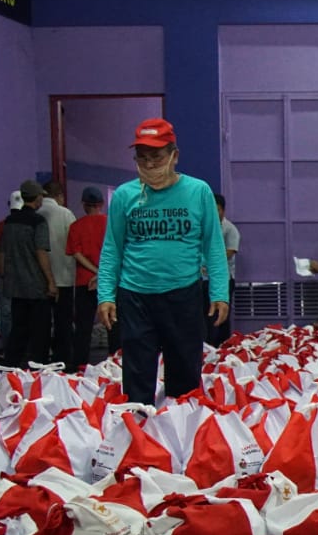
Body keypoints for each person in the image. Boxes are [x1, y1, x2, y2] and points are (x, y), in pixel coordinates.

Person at [96, 118, 229, 405]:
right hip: (135, 297)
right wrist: (105, 295)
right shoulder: (124, 195)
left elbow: (214, 246)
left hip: (183, 295)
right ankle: (140, 435)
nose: (150, 164)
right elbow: (112, 249)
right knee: (137, 374)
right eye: (142, 158)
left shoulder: (198, 192)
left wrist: (219, 292)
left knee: (184, 374)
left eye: (156, 156)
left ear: (174, 156)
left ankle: (179, 434)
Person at [0, 180, 56, 368]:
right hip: (36, 287)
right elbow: (41, 253)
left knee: (18, 330)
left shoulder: (9, 222)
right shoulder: (38, 222)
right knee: (41, 331)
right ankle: (38, 367)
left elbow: (3, 251)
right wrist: (50, 281)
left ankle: (10, 367)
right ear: (38, 198)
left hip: (16, 286)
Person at [67, 185, 115, 367]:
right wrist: (103, 273)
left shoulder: (75, 227)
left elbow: (76, 253)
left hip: (84, 281)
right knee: (113, 323)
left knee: (83, 326)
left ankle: (80, 366)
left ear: (84, 204)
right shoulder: (111, 224)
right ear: (102, 203)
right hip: (109, 280)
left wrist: (95, 272)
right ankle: (116, 363)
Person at [39, 180, 77, 370]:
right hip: (64, 276)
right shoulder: (66, 214)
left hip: (40, 279)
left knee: (42, 321)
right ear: (60, 196)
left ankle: (41, 357)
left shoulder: (36, 214)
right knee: (63, 321)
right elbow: (75, 242)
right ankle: (62, 358)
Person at [0, 190, 24, 340]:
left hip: (8, 275)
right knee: (20, 313)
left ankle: (9, 350)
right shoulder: (34, 223)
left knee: (7, 314)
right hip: (22, 276)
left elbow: (0, 253)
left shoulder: (3, 225)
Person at [205, 192, 240, 346]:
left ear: (223, 211)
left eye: (217, 209)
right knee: (205, 314)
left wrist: (208, 260)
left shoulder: (229, 229)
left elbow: (231, 251)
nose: (213, 213)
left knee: (220, 316)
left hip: (224, 280)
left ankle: (220, 346)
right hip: (204, 279)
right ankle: (206, 345)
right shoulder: (203, 227)